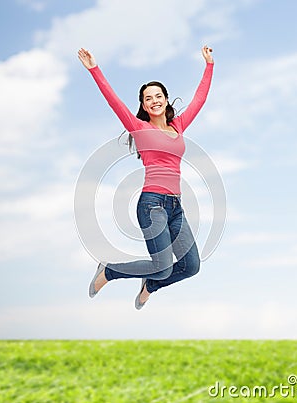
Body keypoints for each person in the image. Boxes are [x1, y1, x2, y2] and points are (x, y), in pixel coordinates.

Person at [78, 45, 214, 309]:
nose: (154, 100)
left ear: (165, 99)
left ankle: (150, 285)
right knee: (162, 266)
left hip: (176, 207)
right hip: (152, 205)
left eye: (158, 95)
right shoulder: (139, 128)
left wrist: (209, 65)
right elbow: (113, 101)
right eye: (147, 98)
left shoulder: (179, 126)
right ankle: (109, 270)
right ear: (143, 105)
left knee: (191, 266)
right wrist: (95, 69)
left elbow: (200, 99)